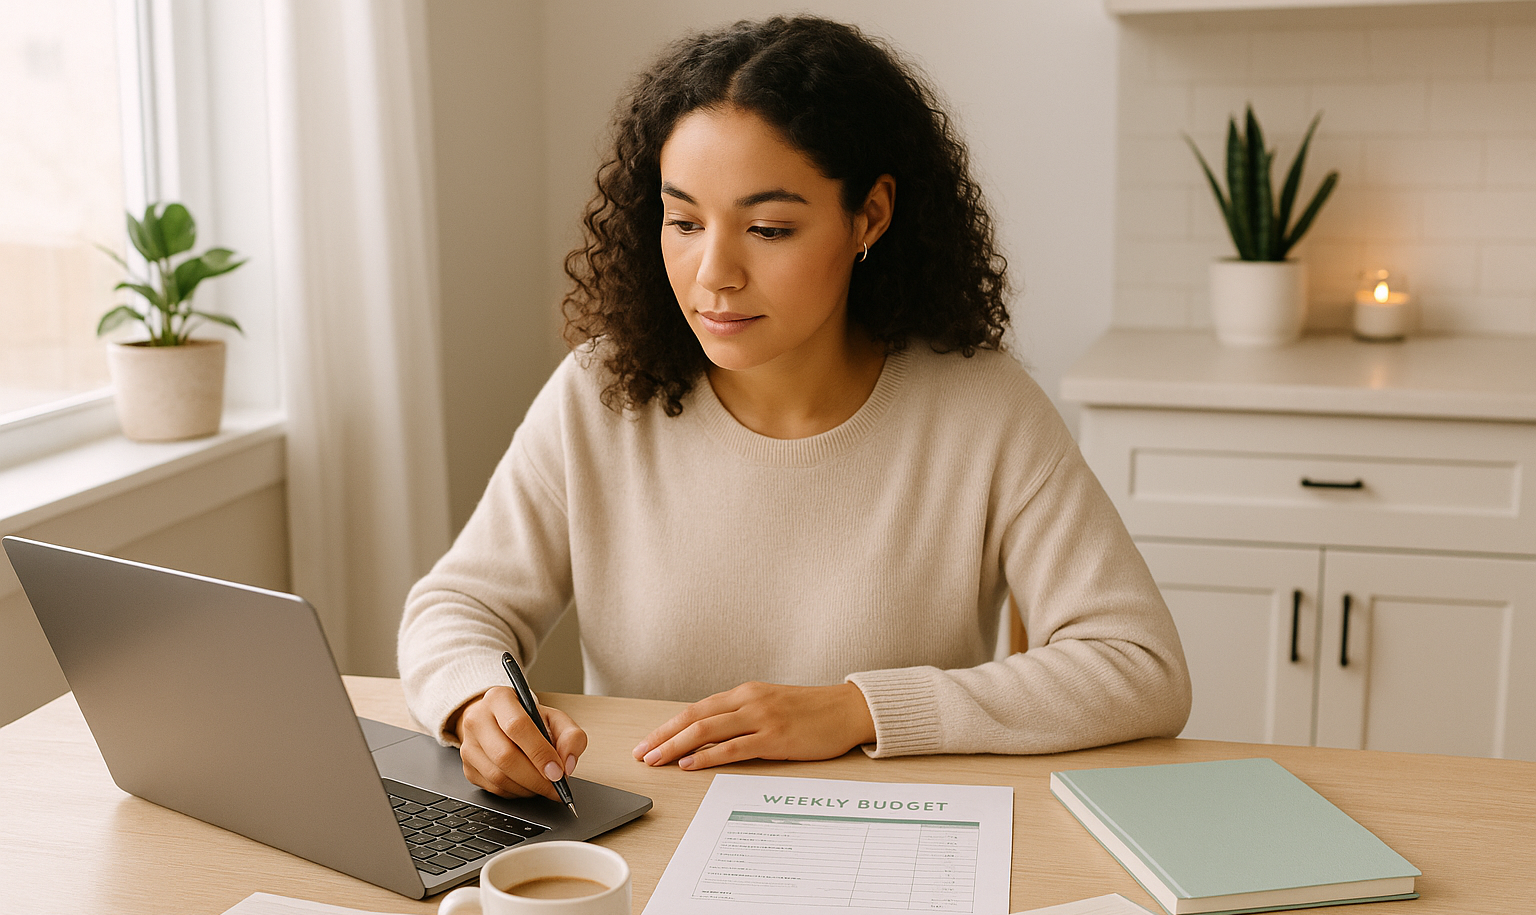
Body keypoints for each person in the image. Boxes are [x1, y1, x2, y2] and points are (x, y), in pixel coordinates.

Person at [398, 15, 1190, 803]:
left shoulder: (982, 408)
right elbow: (457, 605)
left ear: (869, 217)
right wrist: (477, 704)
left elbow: (1138, 667)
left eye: (769, 228)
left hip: (896, 842)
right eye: (683, 221)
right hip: (648, 840)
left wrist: (857, 710)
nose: (714, 274)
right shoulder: (600, 394)